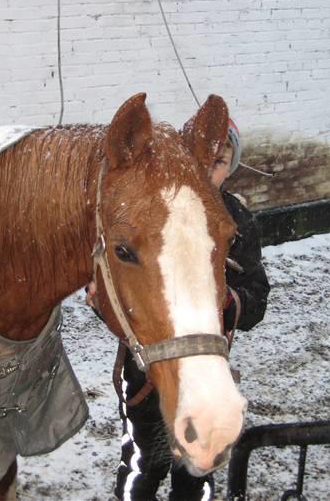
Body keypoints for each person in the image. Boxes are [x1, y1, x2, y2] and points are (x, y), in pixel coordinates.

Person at [86, 119, 270, 501]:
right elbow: (128, 287)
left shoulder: (237, 221)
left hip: (203, 371)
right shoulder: (158, 212)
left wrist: (229, 304)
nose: (208, 170)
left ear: (232, 167)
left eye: (219, 161)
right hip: (144, 374)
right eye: (200, 160)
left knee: (196, 467)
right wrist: (102, 300)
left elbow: (257, 298)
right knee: (144, 460)